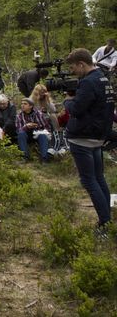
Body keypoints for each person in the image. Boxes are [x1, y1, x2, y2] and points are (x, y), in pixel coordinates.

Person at [64, 48, 115, 236]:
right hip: (98, 135)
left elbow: (77, 109)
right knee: (99, 178)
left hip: (83, 137)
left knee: (89, 180)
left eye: (73, 67)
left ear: (81, 64)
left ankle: (104, 223)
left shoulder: (88, 83)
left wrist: (68, 101)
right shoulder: (103, 78)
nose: (73, 71)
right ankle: (107, 218)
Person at [16, 98, 51, 162]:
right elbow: (18, 129)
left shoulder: (38, 113)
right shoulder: (19, 115)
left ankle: (44, 158)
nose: (22, 105)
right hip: (26, 134)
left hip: (37, 133)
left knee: (42, 135)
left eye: (25, 104)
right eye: (22, 104)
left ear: (31, 106)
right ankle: (25, 156)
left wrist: (36, 126)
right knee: (21, 134)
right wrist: (26, 126)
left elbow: (46, 126)